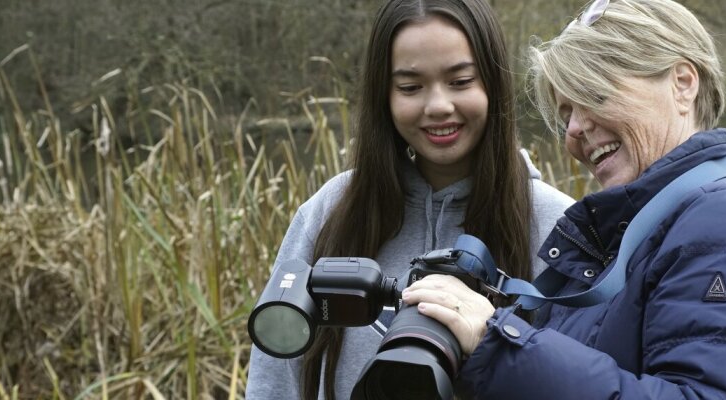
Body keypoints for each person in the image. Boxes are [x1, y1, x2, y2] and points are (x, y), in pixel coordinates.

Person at [401, 0, 726, 398]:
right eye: (565, 112)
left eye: (593, 93)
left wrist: (498, 343)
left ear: (683, 83)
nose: (573, 130)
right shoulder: (639, 236)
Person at [244, 0, 574, 399]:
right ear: (383, 96)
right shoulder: (331, 210)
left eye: (460, 81)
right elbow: (274, 381)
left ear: (493, 84)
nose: (437, 106)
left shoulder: (555, 226)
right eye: (410, 87)